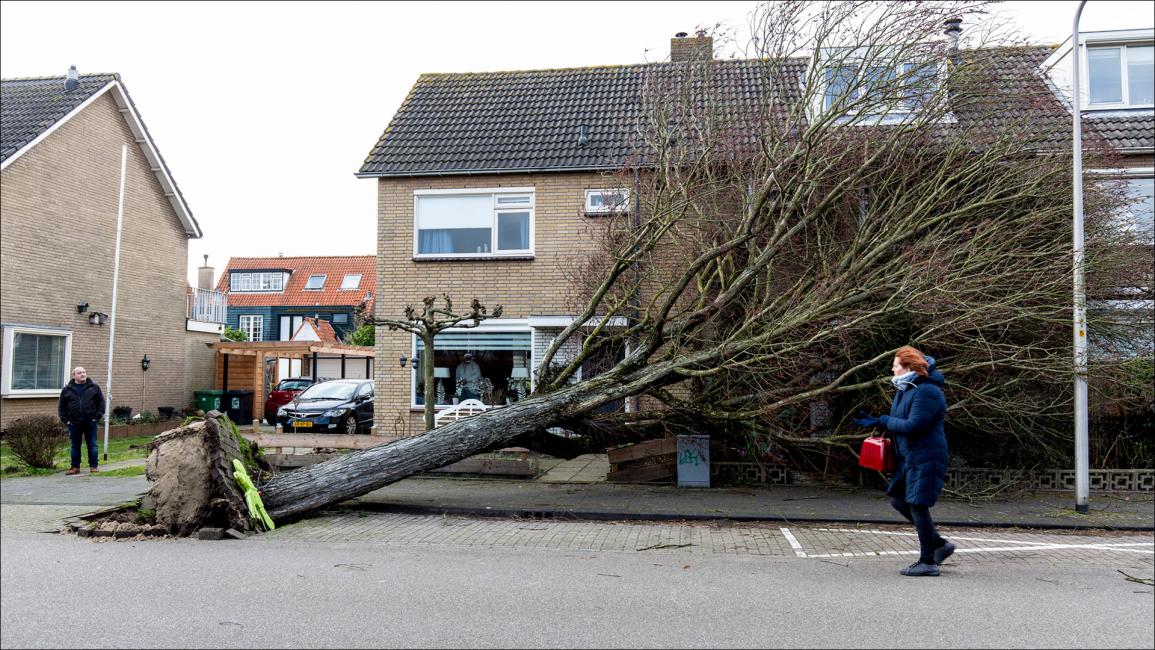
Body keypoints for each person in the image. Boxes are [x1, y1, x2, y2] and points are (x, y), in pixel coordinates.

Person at [854, 346, 954, 577]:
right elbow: (900, 421)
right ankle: (939, 545)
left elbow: (913, 425)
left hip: (927, 456)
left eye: (896, 365)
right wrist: (879, 421)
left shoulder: (927, 391)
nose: (892, 368)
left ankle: (927, 562)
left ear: (909, 367)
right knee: (899, 501)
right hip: (909, 456)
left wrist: (883, 420)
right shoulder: (906, 388)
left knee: (917, 506)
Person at [58, 367, 105, 475]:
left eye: (84, 372)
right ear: (74, 375)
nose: (83, 374)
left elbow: (101, 404)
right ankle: (75, 467)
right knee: (75, 445)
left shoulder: (94, 387)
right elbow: (62, 407)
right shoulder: (67, 389)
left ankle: (94, 466)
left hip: (90, 422)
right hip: (74, 423)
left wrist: (96, 417)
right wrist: (66, 420)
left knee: (92, 444)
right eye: (79, 373)